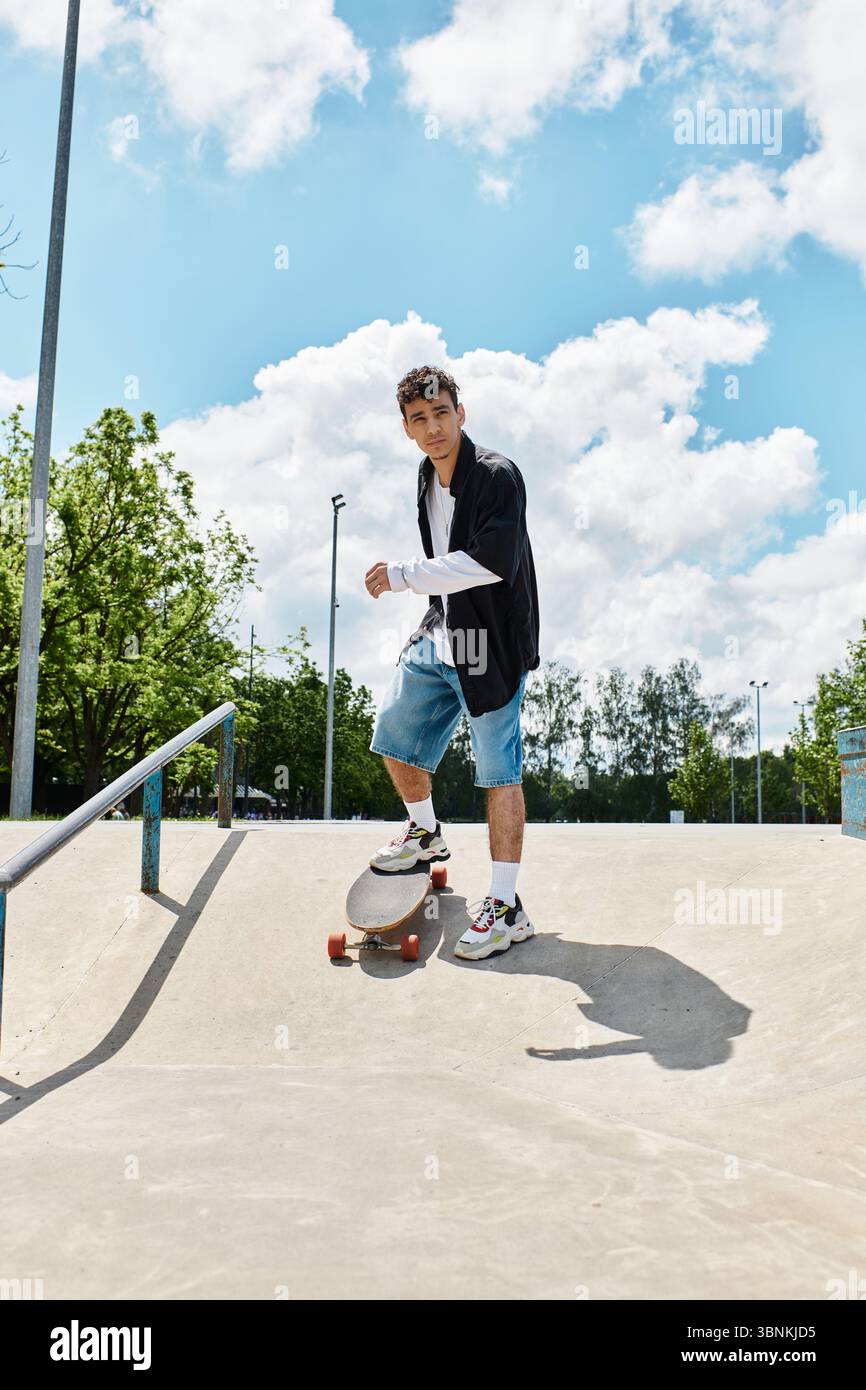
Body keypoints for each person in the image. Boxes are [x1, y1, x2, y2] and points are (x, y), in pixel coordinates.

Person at [366, 365, 540, 961]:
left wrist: (404, 576)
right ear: (408, 429)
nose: (434, 428)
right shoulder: (424, 476)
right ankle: (426, 833)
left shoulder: (497, 476)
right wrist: (427, 601)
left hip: (490, 644)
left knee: (497, 773)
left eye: (442, 414)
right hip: (444, 632)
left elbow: (490, 559)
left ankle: (505, 906)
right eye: (420, 419)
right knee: (395, 729)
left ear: (461, 414)